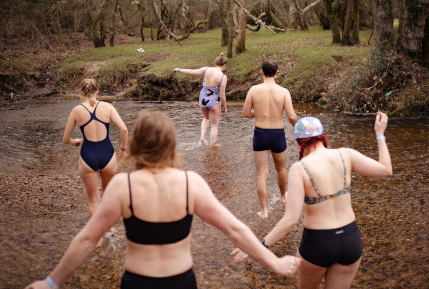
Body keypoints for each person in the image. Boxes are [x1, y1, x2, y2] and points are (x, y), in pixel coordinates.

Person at [26, 110, 299, 289]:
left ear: (136, 145)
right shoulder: (190, 183)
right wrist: (274, 263)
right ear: (171, 144)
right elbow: (234, 229)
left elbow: (87, 239)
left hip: (137, 282)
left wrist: (51, 282)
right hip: (181, 281)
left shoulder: (123, 186)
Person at [232, 112, 393, 289]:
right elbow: (386, 170)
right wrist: (380, 133)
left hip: (318, 243)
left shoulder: (300, 168)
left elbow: (291, 220)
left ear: (300, 141)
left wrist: (259, 245)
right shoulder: (345, 155)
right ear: (322, 136)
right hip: (350, 240)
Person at [62, 78, 128, 219]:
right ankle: (110, 231)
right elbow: (124, 129)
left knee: (94, 201)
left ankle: (98, 239)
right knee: (108, 196)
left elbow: (66, 139)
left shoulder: (76, 111)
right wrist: (123, 150)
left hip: (88, 155)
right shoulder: (108, 107)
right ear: (97, 92)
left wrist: (75, 142)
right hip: (108, 155)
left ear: (81, 92)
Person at [242, 59, 298, 218]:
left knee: (261, 173)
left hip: (260, 133)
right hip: (278, 133)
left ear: (261, 72)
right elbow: (292, 116)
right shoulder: (284, 92)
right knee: (281, 168)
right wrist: (296, 126)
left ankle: (264, 210)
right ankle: (282, 197)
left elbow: (246, 113)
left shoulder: (253, 90)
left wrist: (258, 113)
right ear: (277, 73)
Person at [173, 52, 228, 146]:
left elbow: (192, 72)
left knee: (206, 118)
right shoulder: (223, 77)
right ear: (224, 65)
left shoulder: (206, 69)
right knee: (214, 125)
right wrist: (224, 107)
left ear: (215, 63)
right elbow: (222, 95)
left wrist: (179, 69)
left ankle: (202, 137)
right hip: (214, 102)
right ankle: (212, 145)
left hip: (202, 99)